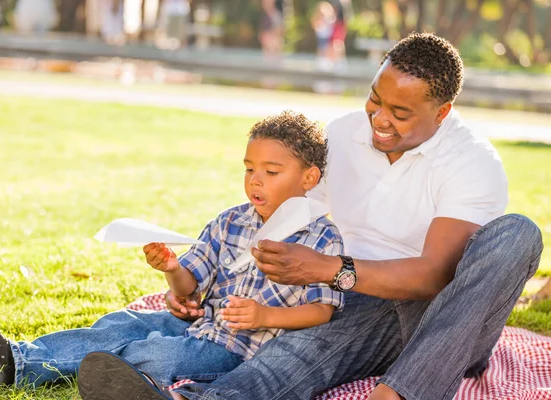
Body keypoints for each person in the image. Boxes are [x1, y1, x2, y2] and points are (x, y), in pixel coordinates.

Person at [77, 33, 543, 400]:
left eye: (400, 112)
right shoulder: (344, 135)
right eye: (375, 99)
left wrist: (329, 270)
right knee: (293, 350)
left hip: (440, 323)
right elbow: (291, 217)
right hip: (346, 297)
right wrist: (210, 281)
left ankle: (400, 393)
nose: (379, 118)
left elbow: (431, 277)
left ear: (442, 113)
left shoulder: (472, 163)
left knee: (518, 233)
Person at [0, 111, 345, 393]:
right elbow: (189, 284)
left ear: (309, 178)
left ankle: (129, 383)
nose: (255, 181)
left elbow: (322, 310)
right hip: (198, 324)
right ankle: (15, 361)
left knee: (156, 354)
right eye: (249, 169)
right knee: (121, 324)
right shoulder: (232, 221)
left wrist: (265, 314)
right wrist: (172, 267)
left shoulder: (321, 238)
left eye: (271, 172)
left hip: (238, 350)